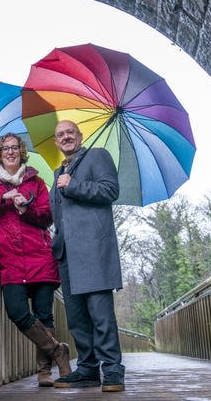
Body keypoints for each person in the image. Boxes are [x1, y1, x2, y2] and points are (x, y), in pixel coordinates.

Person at [0, 133, 72, 386]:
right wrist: (2, 197)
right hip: (11, 260)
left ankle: (44, 372)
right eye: (5, 149)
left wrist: (26, 208)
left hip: (40, 257)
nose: (11, 152)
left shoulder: (35, 182)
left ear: (21, 152)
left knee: (44, 315)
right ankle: (58, 350)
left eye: (15, 148)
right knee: (17, 311)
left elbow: (47, 217)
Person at [49, 120, 125, 392]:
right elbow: (59, 213)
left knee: (100, 314)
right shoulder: (59, 171)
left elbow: (110, 190)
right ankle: (88, 369)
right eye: (60, 134)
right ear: (56, 142)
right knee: (77, 318)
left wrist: (74, 185)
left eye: (70, 132)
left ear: (80, 136)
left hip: (93, 251)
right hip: (66, 255)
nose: (66, 136)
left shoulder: (97, 156)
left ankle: (113, 369)